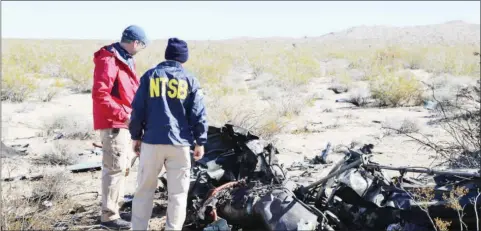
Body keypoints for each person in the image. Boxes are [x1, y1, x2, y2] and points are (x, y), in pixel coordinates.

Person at [128, 37, 208, 230]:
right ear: (184, 58)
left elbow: (138, 110)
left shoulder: (150, 76)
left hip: (152, 142)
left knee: (144, 191)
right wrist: (200, 141)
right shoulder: (189, 79)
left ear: (167, 55)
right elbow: (198, 113)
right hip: (180, 145)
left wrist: (135, 136)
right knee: (178, 195)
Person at [91, 25, 148, 229]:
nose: (141, 49)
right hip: (115, 123)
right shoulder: (109, 59)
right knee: (114, 169)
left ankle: (114, 209)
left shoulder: (122, 59)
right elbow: (101, 94)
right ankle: (109, 217)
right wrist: (125, 116)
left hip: (122, 122)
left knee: (121, 167)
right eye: (142, 45)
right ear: (135, 43)